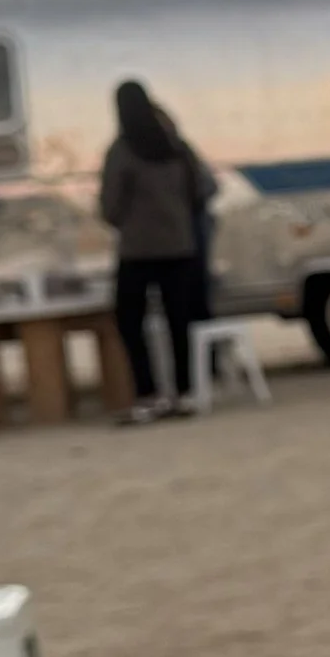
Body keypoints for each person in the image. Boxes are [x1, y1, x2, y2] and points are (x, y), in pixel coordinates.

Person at [99, 79, 215, 422]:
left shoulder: (122, 150)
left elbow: (109, 205)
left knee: (130, 321)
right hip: (180, 245)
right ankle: (184, 392)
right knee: (179, 319)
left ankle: (147, 394)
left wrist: (127, 220)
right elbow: (200, 192)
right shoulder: (177, 147)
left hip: (137, 249)